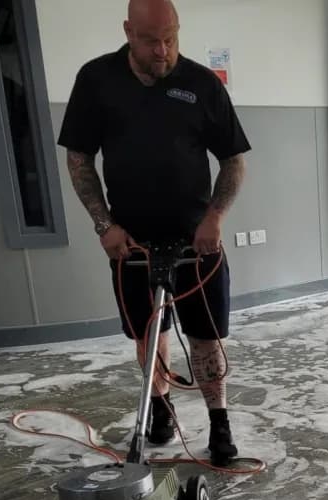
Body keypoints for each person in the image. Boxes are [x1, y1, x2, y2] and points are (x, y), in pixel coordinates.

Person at [57, 0, 249, 466]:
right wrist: (105, 225)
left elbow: (233, 160)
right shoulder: (97, 80)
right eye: (150, 40)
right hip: (131, 242)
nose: (162, 50)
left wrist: (215, 218)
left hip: (195, 240)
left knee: (206, 336)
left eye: (171, 38)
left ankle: (219, 422)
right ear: (128, 31)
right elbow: (80, 160)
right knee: (150, 333)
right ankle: (159, 411)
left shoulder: (202, 84)